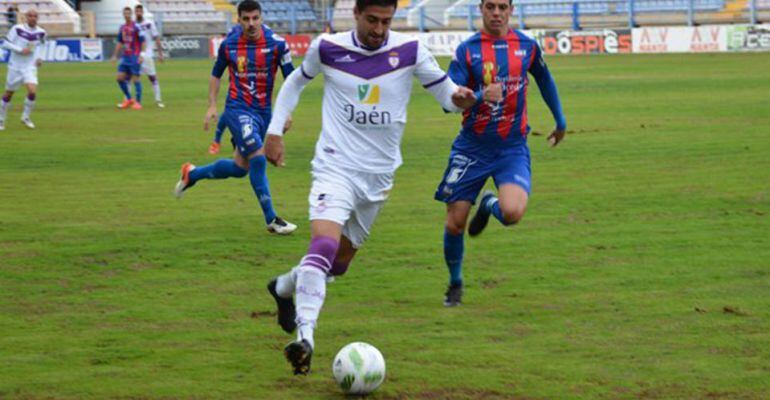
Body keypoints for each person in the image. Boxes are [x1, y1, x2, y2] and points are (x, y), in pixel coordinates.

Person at [263, 0, 482, 375]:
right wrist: (274, 129)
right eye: (372, 20)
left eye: (386, 21)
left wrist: (458, 99)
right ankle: (306, 338)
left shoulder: (410, 50)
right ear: (357, 14)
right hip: (334, 166)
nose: (379, 29)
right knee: (324, 244)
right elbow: (296, 81)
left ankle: (285, 287)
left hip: (378, 177)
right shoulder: (327, 48)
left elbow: (446, 93)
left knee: (340, 264)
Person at [434, 0, 567, 306]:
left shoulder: (527, 46)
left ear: (511, 10)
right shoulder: (467, 51)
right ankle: (455, 283)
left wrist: (560, 120)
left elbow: (545, 79)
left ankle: (489, 203)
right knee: (455, 223)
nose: (496, 13)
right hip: (472, 147)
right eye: (490, 6)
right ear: (480, 9)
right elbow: (447, 103)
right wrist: (480, 96)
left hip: (511, 147)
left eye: (502, 7)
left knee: (513, 214)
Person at [173, 0, 297, 235]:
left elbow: (292, 80)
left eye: (255, 18)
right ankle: (272, 219)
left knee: (241, 167)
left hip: (264, 113)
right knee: (259, 159)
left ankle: (192, 174)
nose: (251, 23)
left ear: (261, 17)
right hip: (237, 109)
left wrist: (286, 111)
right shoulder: (229, 44)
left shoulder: (278, 44)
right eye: (246, 19)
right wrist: (211, 105)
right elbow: (216, 74)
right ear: (238, 19)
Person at [0, 9, 45, 130]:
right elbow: (5, 43)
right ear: (25, 17)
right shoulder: (17, 29)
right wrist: (20, 50)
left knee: (32, 91)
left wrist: (40, 58)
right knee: (9, 94)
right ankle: (1, 120)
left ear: (38, 18)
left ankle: (25, 117)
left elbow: (42, 45)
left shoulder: (41, 32)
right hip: (15, 66)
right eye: (30, 16)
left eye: (35, 16)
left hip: (29, 66)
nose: (33, 18)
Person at [111, 7, 145, 110]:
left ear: (131, 14)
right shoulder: (122, 27)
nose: (127, 15)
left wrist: (142, 55)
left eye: (128, 13)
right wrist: (115, 55)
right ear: (123, 15)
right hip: (125, 57)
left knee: (135, 80)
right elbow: (120, 42)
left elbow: (143, 41)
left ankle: (138, 103)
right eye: (125, 13)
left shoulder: (137, 27)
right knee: (119, 78)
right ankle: (129, 99)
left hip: (134, 56)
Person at [134, 5, 165, 108]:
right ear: (135, 12)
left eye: (140, 11)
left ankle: (158, 100)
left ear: (142, 12)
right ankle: (130, 100)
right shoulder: (133, 25)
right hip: (136, 55)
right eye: (136, 11)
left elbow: (156, 38)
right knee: (132, 77)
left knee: (152, 78)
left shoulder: (149, 23)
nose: (138, 13)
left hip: (147, 55)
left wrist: (160, 54)